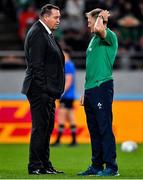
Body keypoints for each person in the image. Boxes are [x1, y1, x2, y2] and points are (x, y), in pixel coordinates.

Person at [21, 4, 65, 175]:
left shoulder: (45, 33)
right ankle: (35, 166)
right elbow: (36, 65)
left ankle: (45, 164)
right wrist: (44, 89)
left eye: (59, 17)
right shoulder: (38, 33)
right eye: (56, 17)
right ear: (45, 17)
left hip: (46, 90)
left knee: (46, 128)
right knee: (40, 128)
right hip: (40, 90)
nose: (59, 21)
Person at [78, 9, 119, 176]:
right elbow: (92, 68)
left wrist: (102, 17)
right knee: (94, 130)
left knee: (104, 128)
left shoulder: (108, 35)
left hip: (102, 86)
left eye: (89, 20)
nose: (87, 23)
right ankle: (96, 165)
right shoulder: (94, 40)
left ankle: (111, 167)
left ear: (98, 21)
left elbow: (99, 29)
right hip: (91, 89)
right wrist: (85, 91)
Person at [52, 47, 77, 147]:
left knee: (61, 117)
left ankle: (58, 140)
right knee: (71, 117)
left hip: (66, 96)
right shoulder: (69, 65)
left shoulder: (68, 65)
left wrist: (60, 92)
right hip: (69, 96)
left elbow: (69, 81)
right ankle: (74, 140)